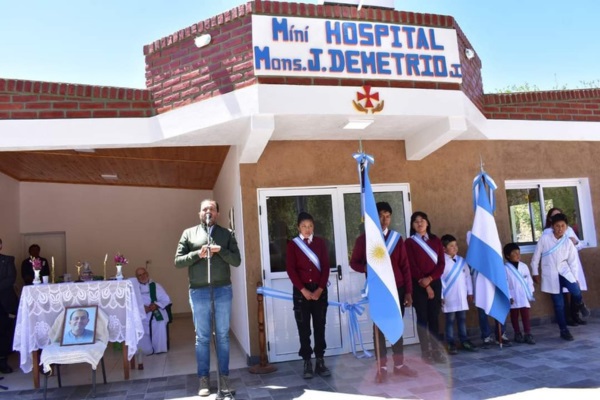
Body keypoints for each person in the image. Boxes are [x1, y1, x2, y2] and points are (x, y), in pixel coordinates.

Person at [175, 199, 241, 397]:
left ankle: (224, 378)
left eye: (211, 209)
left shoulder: (227, 234)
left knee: (222, 336)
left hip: (222, 290)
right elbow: (177, 262)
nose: (208, 211)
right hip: (199, 291)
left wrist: (222, 252)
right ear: (199, 213)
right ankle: (203, 379)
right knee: (202, 337)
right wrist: (197, 254)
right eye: (205, 209)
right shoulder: (189, 233)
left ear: (217, 213)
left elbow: (236, 260)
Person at [350, 202, 417, 380]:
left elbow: (405, 266)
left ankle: (400, 365)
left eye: (388, 216)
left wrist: (409, 292)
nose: (384, 219)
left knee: (396, 326)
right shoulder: (364, 240)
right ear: (374, 217)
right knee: (379, 328)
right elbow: (354, 262)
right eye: (381, 215)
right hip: (378, 290)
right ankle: (382, 369)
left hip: (398, 289)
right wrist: (367, 268)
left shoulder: (397, 238)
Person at [286, 211, 331, 379]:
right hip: (301, 292)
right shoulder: (292, 245)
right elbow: (291, 269)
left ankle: (320, 360)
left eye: (310, 226)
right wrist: (304, 291)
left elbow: (326, 267)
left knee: (320, 326)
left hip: (319, 291)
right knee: (304, 328)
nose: (307, 229)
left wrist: (319, 289)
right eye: (304, 226)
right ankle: (307, 361)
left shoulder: (319, 243)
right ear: (298, 227)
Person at [531, 213, 590, 341]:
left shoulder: (568, 242)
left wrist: (575, 278)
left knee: (575, 289)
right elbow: (535, 258)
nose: (560, 228)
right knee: (559, 305)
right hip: (550, 274)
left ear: (566, 227)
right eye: (557, 226)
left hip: (565, 272)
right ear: (552, 226)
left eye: (563, 226)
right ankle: (564, 330)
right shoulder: (545, 239)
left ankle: (580, 304)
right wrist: (534, 272)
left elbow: (573, 262)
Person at [405, 211, 445, 363]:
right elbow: (411, 265)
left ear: (427, 223)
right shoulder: (409, 243)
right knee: (422, 318)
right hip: (418, 284)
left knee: (434, 318)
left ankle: (436, 351)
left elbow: (441, 264)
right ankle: (425, 352)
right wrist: (424, 282)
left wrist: (430, 279)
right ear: (412, 225)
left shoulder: (436, 241)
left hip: (434, 282)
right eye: (416, 221)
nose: (419, 223)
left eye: (422, 220)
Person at [543, 207, 588, 326]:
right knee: (562, 293)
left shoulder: (569, 230)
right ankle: (566, 318)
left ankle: (576, 315)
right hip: (559, 266)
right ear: (550, 219)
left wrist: (576, 242)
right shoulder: (547, 232)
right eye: (554, 216)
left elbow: (579, 245)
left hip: (572, 262)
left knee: (575, 290)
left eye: (560, 214)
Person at [440, 234, 476, 355]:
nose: (455, 248)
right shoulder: (441, 262)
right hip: (449, 296)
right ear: (444, 248)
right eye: (451, 246)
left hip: (462, 296)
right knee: (450, 320)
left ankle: (464, 340)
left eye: (455, 245)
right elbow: (439, 280)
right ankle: (450, 342)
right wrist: (441, 296)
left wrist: (470, 292)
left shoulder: (462, 261)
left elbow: (468, 278)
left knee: (462, 319)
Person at [134, 267, 171, 369]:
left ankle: (159, 349)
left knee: (159, 322)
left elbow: (166, 299)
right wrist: (142, 308)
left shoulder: (156, 286)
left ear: (147, 274)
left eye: (144, 274)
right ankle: (145, 349)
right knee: (138, 323)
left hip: (156, 310)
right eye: (139, 275)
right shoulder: (134, 288)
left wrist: (156, 305)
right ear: (137, 278)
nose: (142, 276)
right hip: (142, 313)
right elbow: (131, 303)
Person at [503, 243, 536, 345]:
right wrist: (509, 296)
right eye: (514, 253)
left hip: (524, 295)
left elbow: (529, 281)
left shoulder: (524, 266)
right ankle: (517, 333)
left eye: (519, 252)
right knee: (514, 316)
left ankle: (528, 333)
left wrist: (530, 292)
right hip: (513, 296)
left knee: (525, 315)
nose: (518, 255)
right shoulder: (505, 268)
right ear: (508, 255)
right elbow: (505, 283)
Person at [0, 238, 18, 374]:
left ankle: (3, 361)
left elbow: (10, 279)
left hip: (4, 302)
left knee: (4, 331)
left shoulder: (8, 260)